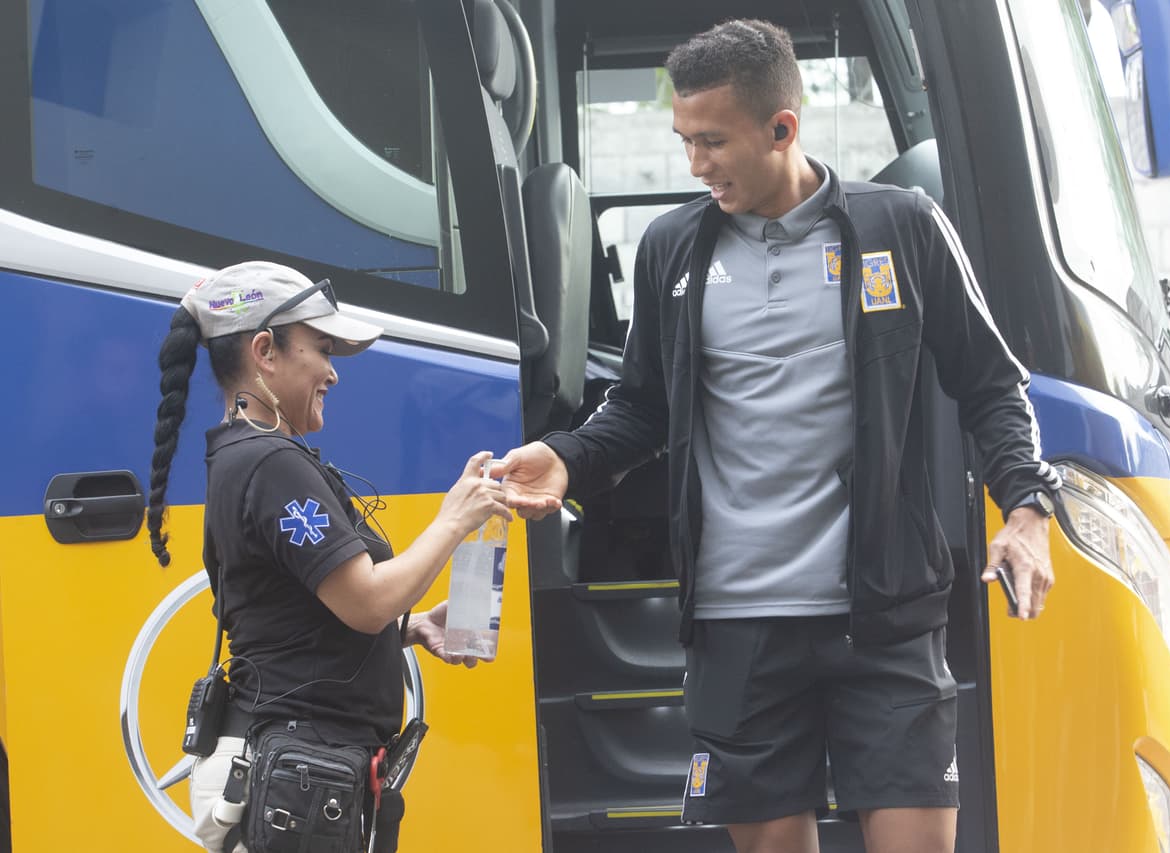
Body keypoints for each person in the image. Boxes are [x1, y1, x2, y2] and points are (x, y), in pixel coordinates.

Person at [501, 19, 1059, 853]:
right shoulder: (670, 250)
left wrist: (1027, 506)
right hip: (737, 624)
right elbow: (643, 406)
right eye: (685, 140)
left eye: (714, 142)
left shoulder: (900, 227)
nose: (696, 165)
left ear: (783, 128)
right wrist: (568, 457)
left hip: (886, 617)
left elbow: (990, 381)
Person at [146, 261, 510, 852]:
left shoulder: (243, 456)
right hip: (291, 774)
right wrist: (454, 518)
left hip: (290, 773)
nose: (333, 375)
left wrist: (410, 627)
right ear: (265, 350)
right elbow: (365, 602)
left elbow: (292, 613)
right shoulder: (271, 463)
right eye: (322, 349)